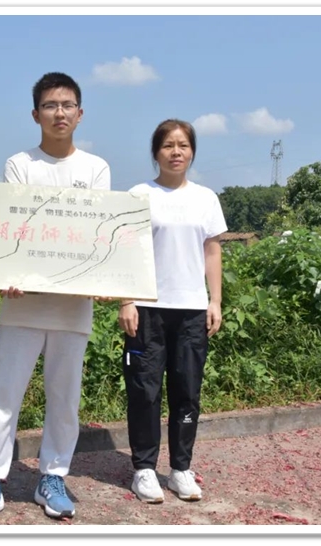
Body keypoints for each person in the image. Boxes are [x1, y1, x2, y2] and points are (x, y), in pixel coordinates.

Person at [0, 72, 111, 525]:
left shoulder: (96, 169)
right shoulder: (20, 164)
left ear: (80, 114)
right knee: (4, 397)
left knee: (64, 399)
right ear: (35, 114)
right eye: (50, 105)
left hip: (73, 307)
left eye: (67, 105)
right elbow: (15, 226)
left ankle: (53, 477)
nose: (59, 113)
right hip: (21, 304)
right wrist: (7, 271)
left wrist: (104, 277)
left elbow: (97, 232)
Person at [119, 119, 227, 504]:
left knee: (187, 391)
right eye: (168, 145)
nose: (176, 152)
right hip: (147, 309)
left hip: (192, 310)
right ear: (156, 152)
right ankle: (144, 469)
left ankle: (181, 468)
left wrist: (215, 300)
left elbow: (212, 251)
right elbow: (125, 251)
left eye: (183, 145)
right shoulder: (139, 195)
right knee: (144, 390)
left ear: (192, 151)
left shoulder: (205, 198)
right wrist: (126, 300)